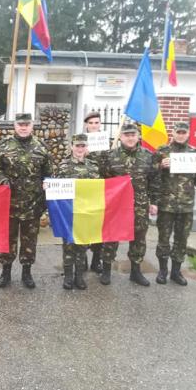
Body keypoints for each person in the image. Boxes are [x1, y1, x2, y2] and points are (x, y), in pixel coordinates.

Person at [0, 113, 53, 288]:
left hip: (33, 204)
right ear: (15, 126)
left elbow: (48, 173)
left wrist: (47, 183)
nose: (23, 127)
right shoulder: (4, 145)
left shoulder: (41, 146)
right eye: (20, 124)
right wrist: (1, 179)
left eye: (27, 124)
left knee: (29, 240)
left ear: (32, 126)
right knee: (7, 240)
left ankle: (27, 273)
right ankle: (5, 272)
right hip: (8, 203)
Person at [101, 123, 160, 286]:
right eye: (126, 135)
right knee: (112, 237)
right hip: (117, 205)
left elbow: (154, 180)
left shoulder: (149, 156)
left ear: (138, 136)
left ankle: (136, 271)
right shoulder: (110, 156)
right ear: (120, 137)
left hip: (139, 205)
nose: (130, 138)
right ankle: (106, 270)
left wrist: (154, 202)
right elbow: (103, 180)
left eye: (133, 135)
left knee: (139, 238)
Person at [153, 121, 196, 286]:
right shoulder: (162, 151)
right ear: (173, 133)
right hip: (166, 204)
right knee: (163, 238)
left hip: (186, 205)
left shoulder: (195, 153)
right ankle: (163, 271)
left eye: (184, 132)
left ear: (188, 133)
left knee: (181, 239)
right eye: (178, 132)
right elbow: (151, 173)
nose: (181, 135)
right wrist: (160, 165)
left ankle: (176, 272)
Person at [55, 134, 100, 289]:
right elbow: (56, 189)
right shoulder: (63, 166)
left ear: (87, 148)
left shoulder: (93, 167)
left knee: (82, 246)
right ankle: (68, 276)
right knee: (68, 245)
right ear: (71, 147)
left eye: (83, 146)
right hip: (68, 213)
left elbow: (98, 190)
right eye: (77, 146)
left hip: (86, 213)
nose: (80, 149)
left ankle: (79, 276)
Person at [83, 111, 106, 273]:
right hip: (84, 191)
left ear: (100, 124)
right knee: (83, 226)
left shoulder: (106, 142)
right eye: (91, 123)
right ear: (86, 125)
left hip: (101, 190)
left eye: (96, 123)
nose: (93, 125)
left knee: (100, 227)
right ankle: (81, 260)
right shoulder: (80, 141)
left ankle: (96, 261)